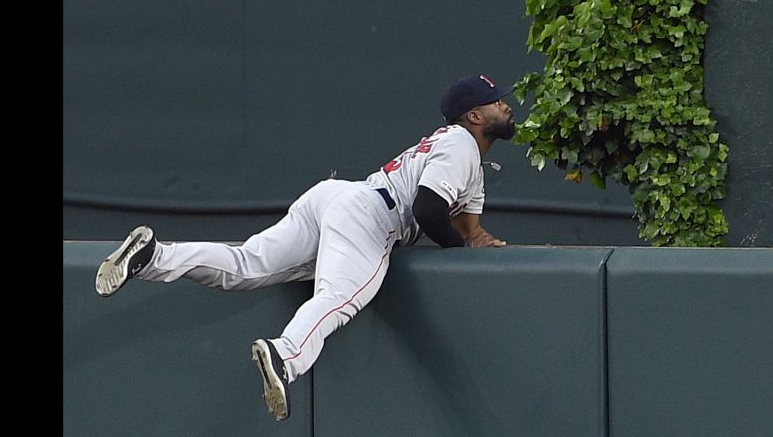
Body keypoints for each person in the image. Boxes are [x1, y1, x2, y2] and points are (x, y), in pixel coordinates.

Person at [93, 74, 516, 422]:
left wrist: (473, 241)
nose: (506, 105)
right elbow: (427, 208)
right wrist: (459, 246)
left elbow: (466, 227)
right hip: (370, 218)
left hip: (334, 197)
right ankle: (284, 355)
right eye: (497, 101)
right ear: (474, 115)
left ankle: (155, 256)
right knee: (337, 299)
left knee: (245, 263)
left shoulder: (464, 157)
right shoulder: (460, 144)